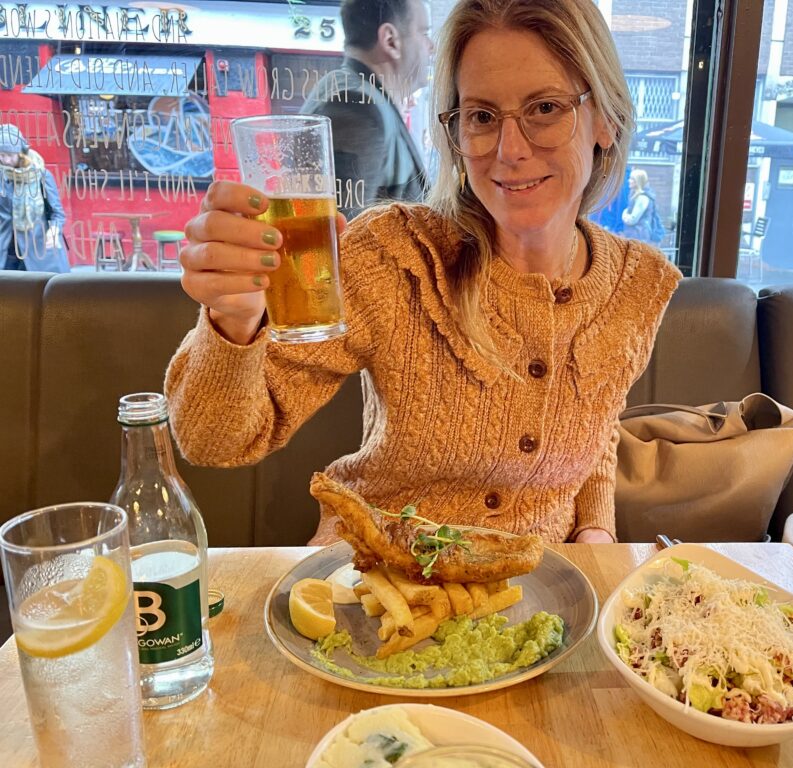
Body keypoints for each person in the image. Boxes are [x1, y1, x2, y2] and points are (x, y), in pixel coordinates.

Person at [165, 0, 682, 546]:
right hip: (376, 589)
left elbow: (596, 427)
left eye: (545, 108)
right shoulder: (396, 258)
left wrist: (596, 531)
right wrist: (234, 321)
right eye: (481, 116)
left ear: (605, 119)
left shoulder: (636, 285)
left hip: (540, 600)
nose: (509, 150)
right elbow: (212, 441)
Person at [301, 0, 434, 220]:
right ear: (390, 40)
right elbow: (344, 241)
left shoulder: (358, 94)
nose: (432, 46)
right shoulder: (356, 107)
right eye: (424, 32)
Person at [0, 124, 69, 273]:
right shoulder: (1, 177)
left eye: (9, 155)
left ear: (21, 153)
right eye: (1, 155)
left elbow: (57, 213)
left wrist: (54, 230)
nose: (4, 160)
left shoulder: (41, 176)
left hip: (39, 251)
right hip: (7, 253)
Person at [621, 168, 660, 244]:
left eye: (632, 179)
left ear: (637, 181)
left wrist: (624, 213)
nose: (629, 181)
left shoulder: (642, 198)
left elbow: (632, 220)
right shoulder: (634, 195)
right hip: (636, 236)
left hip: (640, 237)